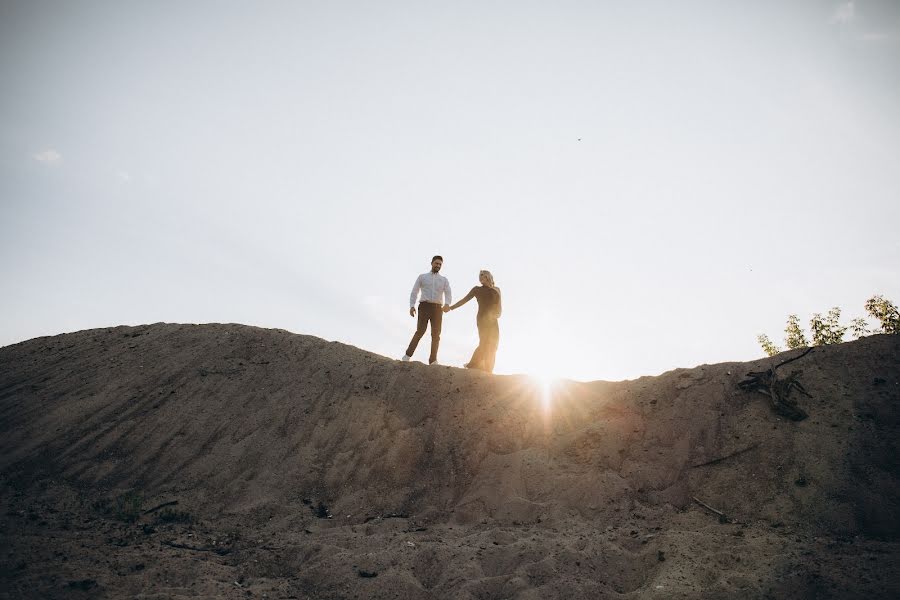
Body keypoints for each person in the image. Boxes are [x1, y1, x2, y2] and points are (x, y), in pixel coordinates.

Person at [446, 270, 501, 373]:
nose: (480, 277)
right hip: (482, 319)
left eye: (482, 275)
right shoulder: (477, 289)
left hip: (493, 319)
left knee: (493, 344)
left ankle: (488, 369)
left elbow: (499, 306)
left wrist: (497, 314)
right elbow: (464, 300)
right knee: (484, 343)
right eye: (479, 276)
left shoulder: (497, 290)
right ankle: (473, 365)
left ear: (488, 277)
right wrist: (451, 308)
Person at [402, 255, 452, 364]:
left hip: (438, 309)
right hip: (424, 306)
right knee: (420, 331)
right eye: (436, 263)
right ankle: (407, 355)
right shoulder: (422, 277)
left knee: (436, 335)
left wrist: (447, 304)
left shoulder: (444, 280)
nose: (438, 265)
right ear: (432, 263)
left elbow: (448, 293)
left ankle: (433, 360)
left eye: (440, 264)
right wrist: (411, 306)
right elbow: (414, 292)